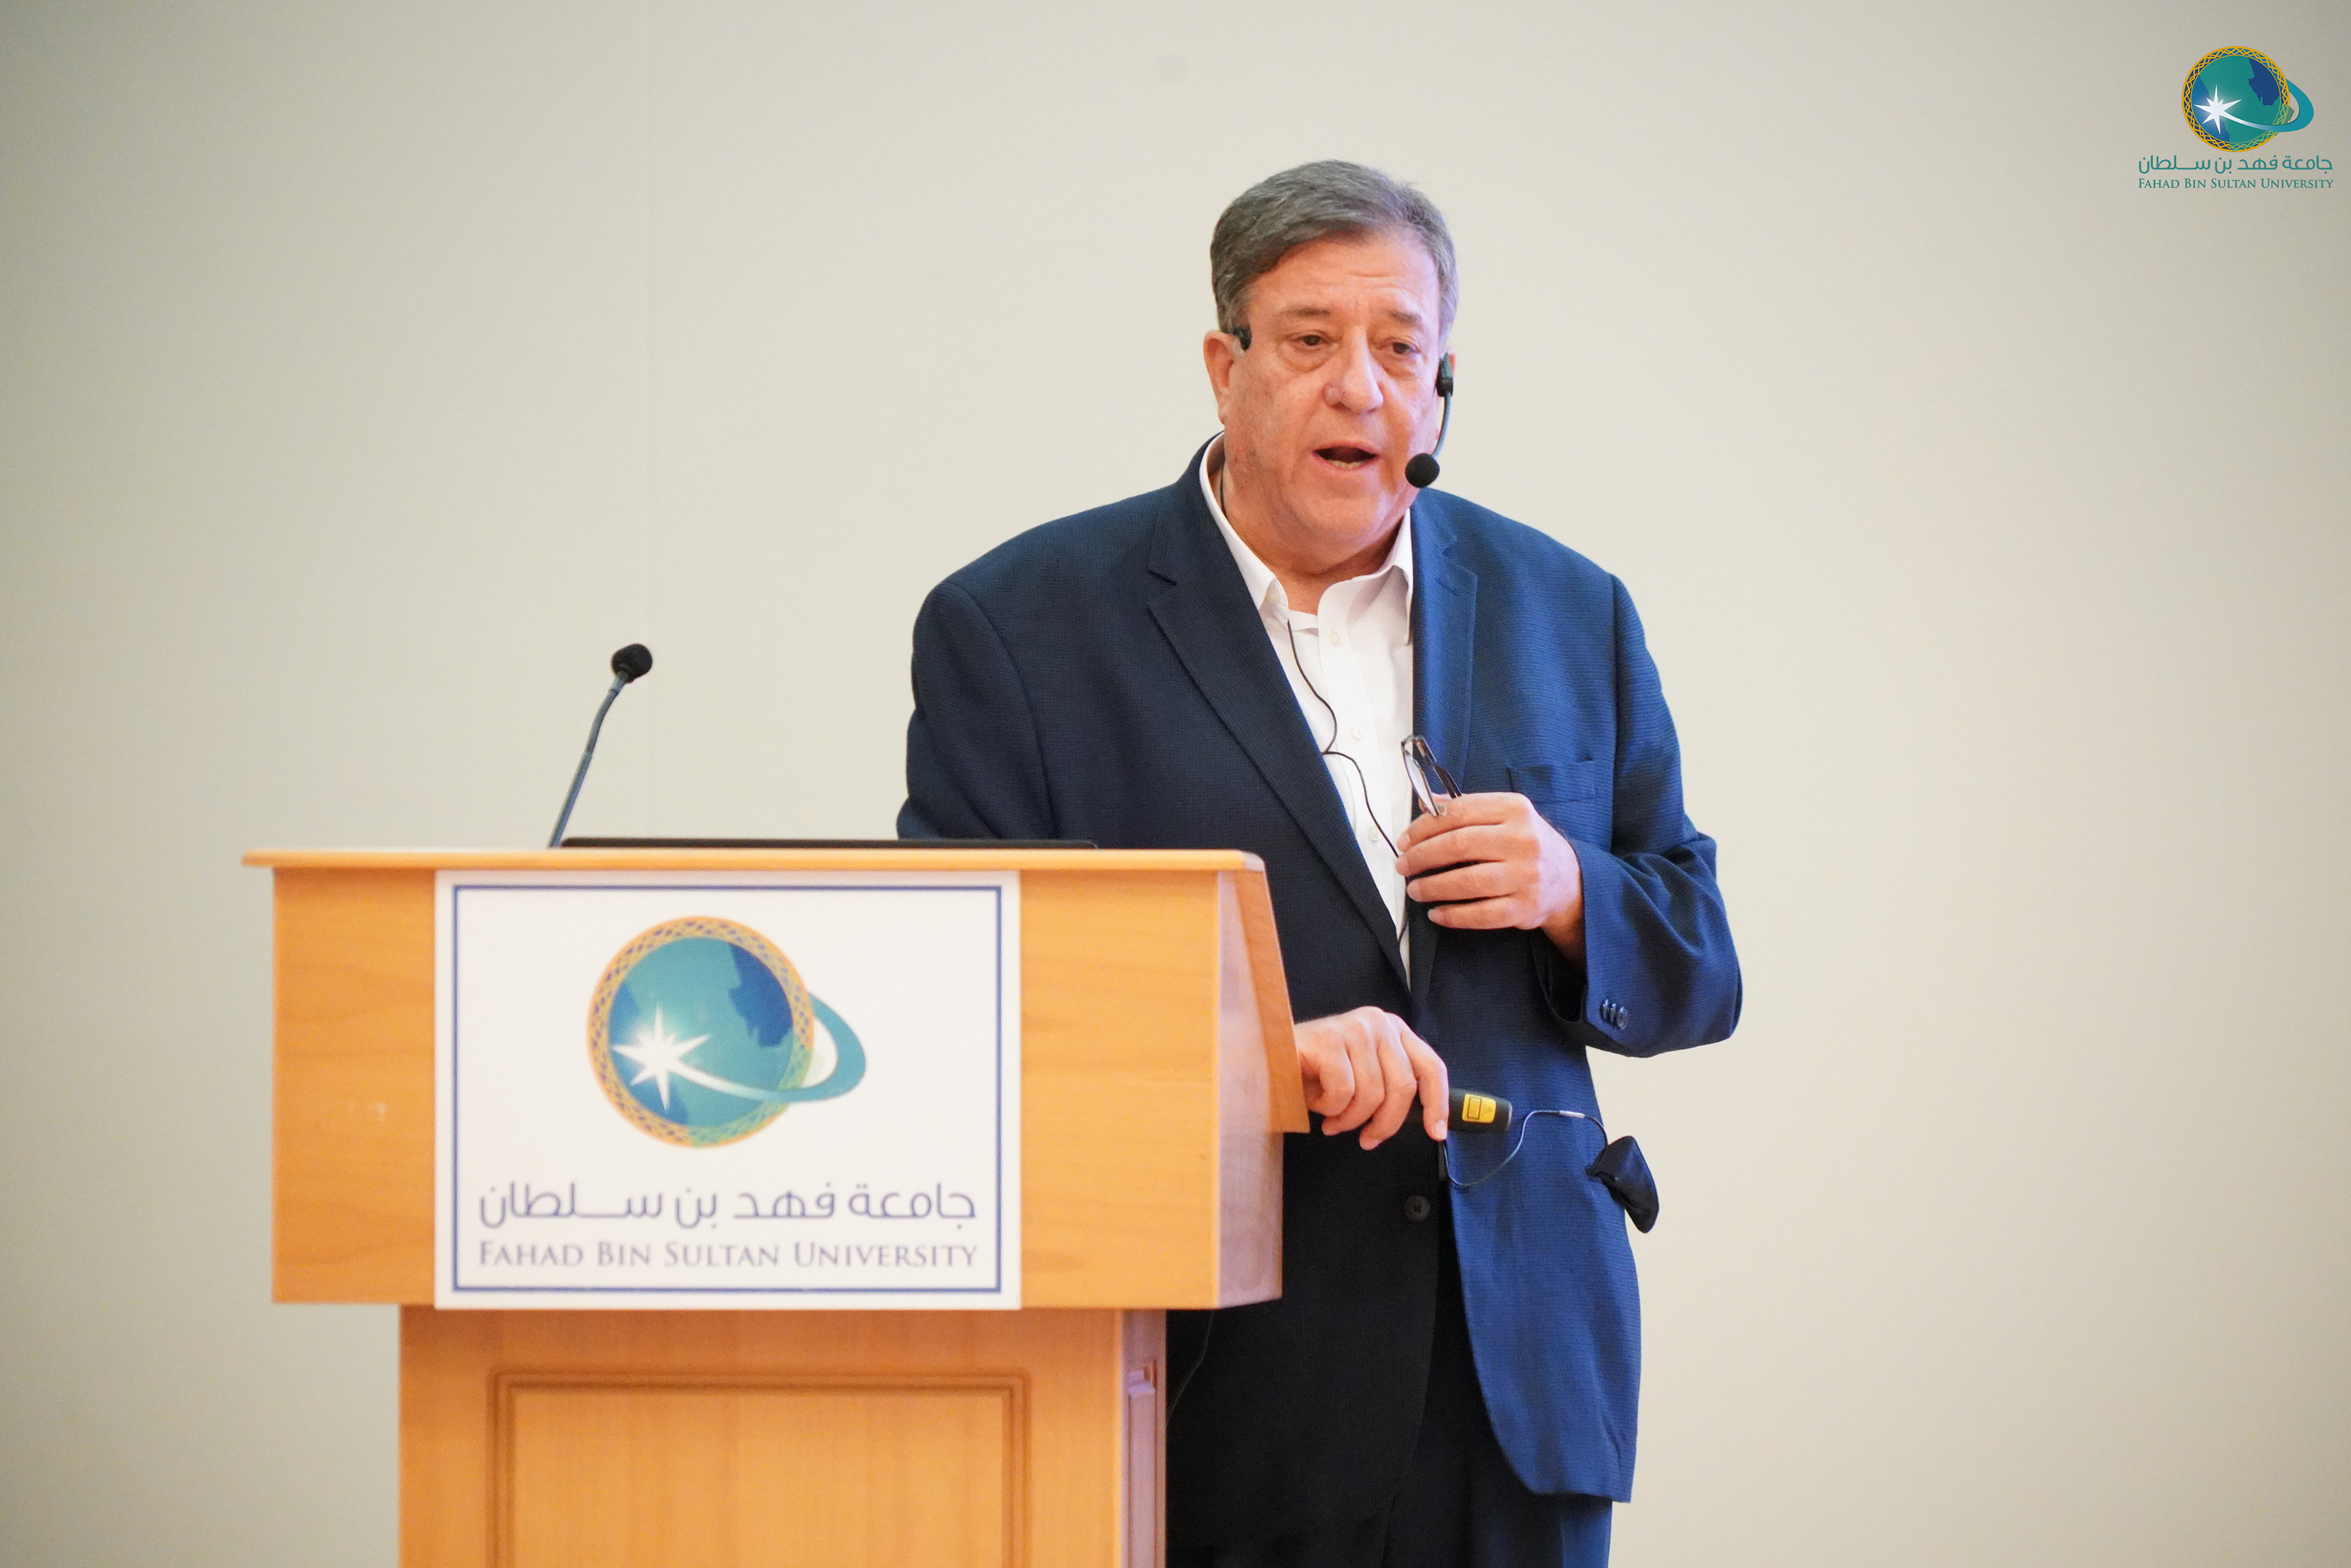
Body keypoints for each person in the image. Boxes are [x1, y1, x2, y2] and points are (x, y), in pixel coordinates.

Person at [899, 160, 1740, 1568]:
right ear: (1224, 366)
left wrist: (1572, 891)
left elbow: (1698, 966)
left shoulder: (1566, 608)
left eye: (1401, 349)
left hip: (1514, 1379)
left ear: (1444, 383)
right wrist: (1252, 1063)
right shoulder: (1023, 627)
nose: (1361, 387)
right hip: (1214, 1373)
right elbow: (963, 1003)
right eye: (1311, 341)